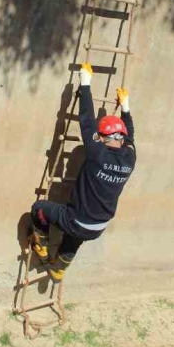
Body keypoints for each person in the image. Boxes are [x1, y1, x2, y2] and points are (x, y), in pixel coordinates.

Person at [29, 63, 136, 283]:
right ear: (122, 138)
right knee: (75, 236)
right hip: (98, 228)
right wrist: (125, 108)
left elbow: (86, 120)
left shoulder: (98, 153)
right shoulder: (130, 158)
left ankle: (40, 243)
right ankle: (58, 268)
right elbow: (130, 137)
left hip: (78, 220)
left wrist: (85, 84)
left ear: (103, 137)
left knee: (39, 208)